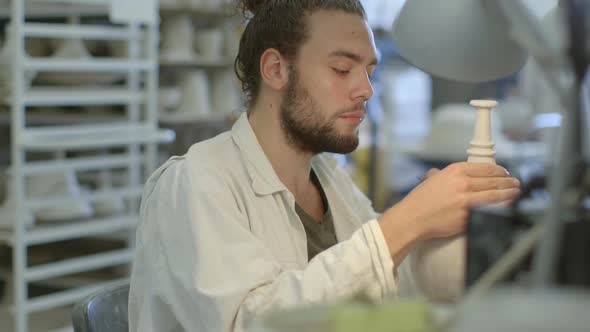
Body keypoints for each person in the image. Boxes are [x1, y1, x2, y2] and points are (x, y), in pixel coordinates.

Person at [128, 1, 521, 331]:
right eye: (342, 69)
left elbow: (383, 286)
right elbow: (250, 323)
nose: (366, 89)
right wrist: (409, 220)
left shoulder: (331, 181)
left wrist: (439, 231)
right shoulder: (195, 183)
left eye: (368, 70)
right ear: (276, 70)